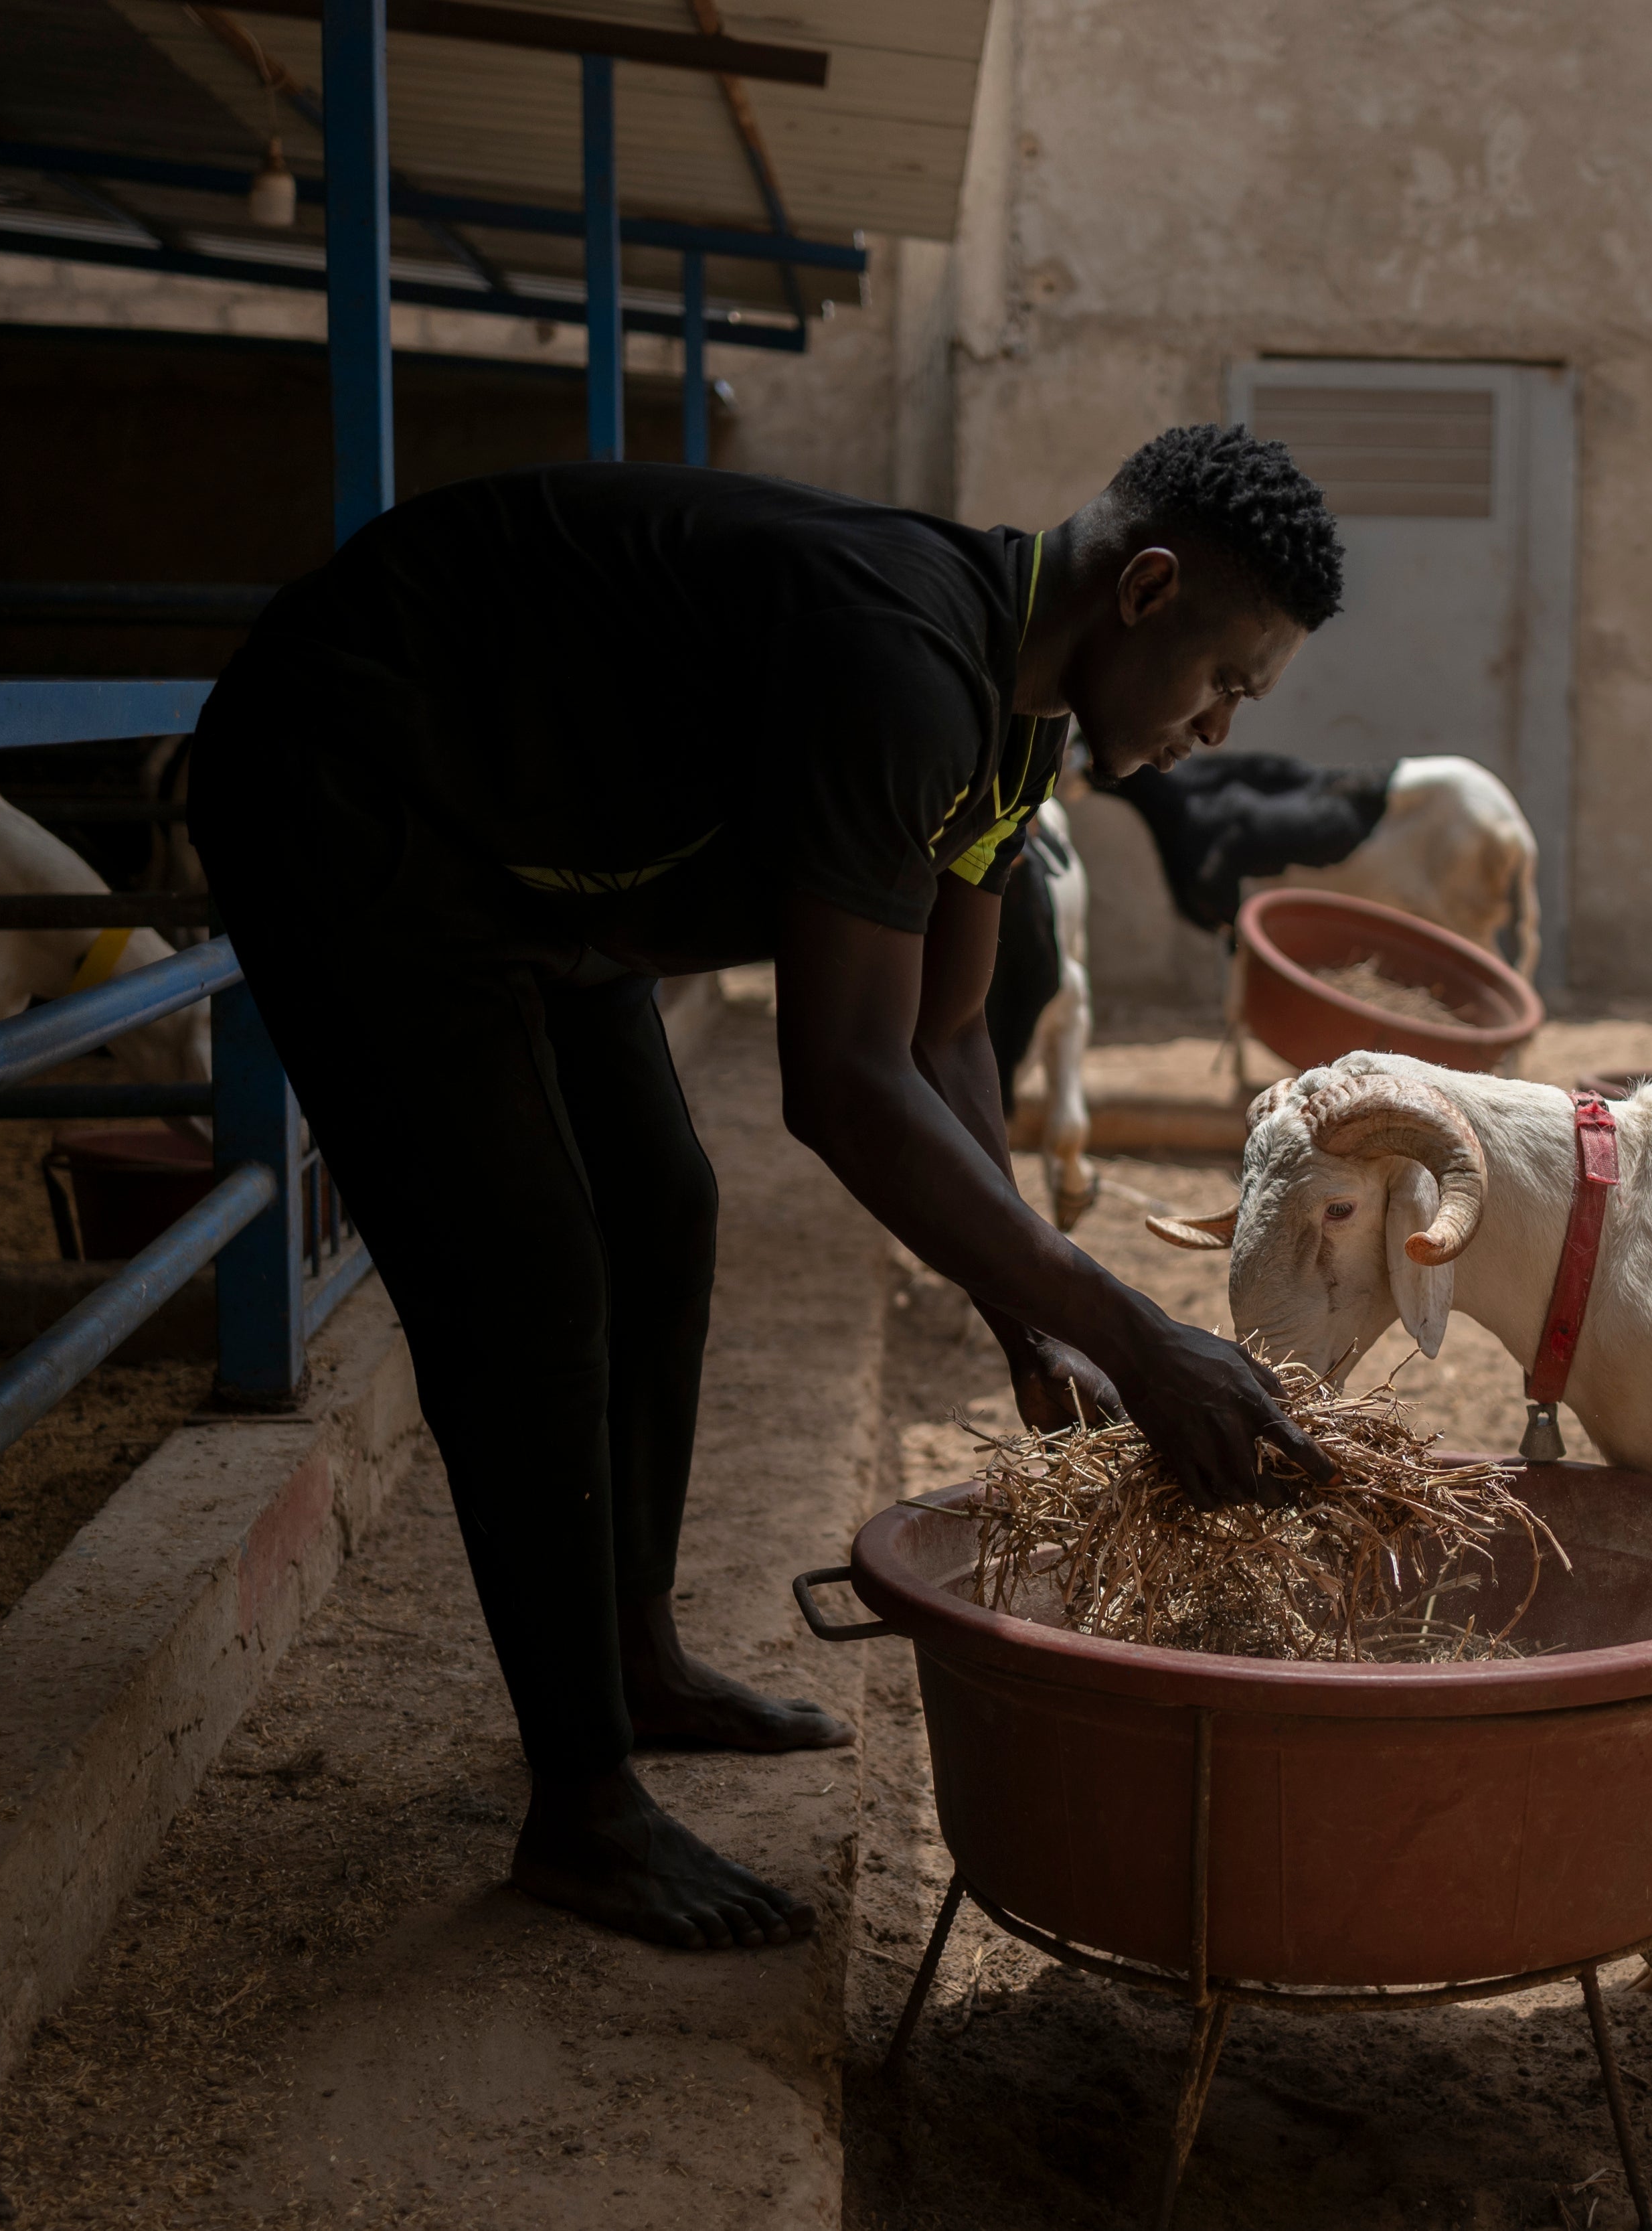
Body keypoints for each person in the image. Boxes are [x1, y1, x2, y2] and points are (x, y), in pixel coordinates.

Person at [188, 427, 1346, 1952]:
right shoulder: (900, 662)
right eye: (1227, 684)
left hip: (546, 853)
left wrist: (1032, 1312)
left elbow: (941, 1029)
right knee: (530, 1282)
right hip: (361, 787)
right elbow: (844, 1087)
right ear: (1144, 588)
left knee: (664, 1209)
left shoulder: (1011, 723)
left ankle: (639, 1661)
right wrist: (1137, 1339)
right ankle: (581, 1805)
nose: (1214, 731)